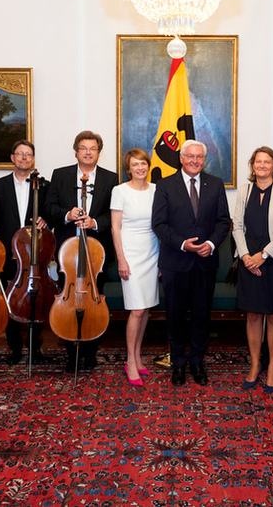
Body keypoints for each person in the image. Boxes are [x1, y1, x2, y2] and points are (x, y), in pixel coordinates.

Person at [152, 139, 231, 386]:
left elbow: (223, 222)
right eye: (190, 156)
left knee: (201, 315)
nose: (195, 161)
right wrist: (183, 244)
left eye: (199, 157)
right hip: (176, 261)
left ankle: (197, 361)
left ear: (204, 159)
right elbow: (159, 224)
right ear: (181, 158)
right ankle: (178, 363)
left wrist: (210, 244)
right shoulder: (165, 185)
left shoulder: (215, 184)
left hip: (205, 262)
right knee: (175, 316)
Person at [45, 130, 118, 371]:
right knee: (67, 300)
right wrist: (67, 214)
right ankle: (71, 354)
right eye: (83, 148)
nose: (88, 152)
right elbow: (49, 207)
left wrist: (95, 222)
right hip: (68, 252)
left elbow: (115, 214)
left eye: (93, 148)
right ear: (76, 151)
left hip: (98, 253)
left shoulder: (110, 178)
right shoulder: (60, 175)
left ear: (99, 152)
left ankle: (90, 352)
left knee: (95, 302)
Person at [234, 146, 273, 393]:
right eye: (258, 161)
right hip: (249, 261)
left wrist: (264, 255)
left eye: (267, 162)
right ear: (253, 165)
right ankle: (254, 364)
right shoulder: (244, 190)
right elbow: (237, 226)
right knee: (252, 315)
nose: (262, 165)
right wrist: (247, 256)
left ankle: (272, 366)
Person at [0, 139, 50, 364]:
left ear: (33, 159)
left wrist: (47, 219)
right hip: (7, 253)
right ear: (12, 158)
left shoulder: (45, 186)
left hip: (35, 254)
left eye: (28, 154)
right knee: (10, 300)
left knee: (38, 299)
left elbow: (51, 211)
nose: (24, 158)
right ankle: (14, 347)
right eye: (20, 154)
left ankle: (35, 349)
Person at [110, 149, 160, 386]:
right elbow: (115, 228)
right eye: (135, 164)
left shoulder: (156, 190)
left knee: (146, 308)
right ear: (128, 168)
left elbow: (160, 225)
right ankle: (130, 361)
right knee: (136, 310)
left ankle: (138, 357)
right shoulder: (119, 191)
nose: (140, 168)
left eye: (143, 163)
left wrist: (161, 260)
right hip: (130, 254)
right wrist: (121, 259)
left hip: (152, 252)